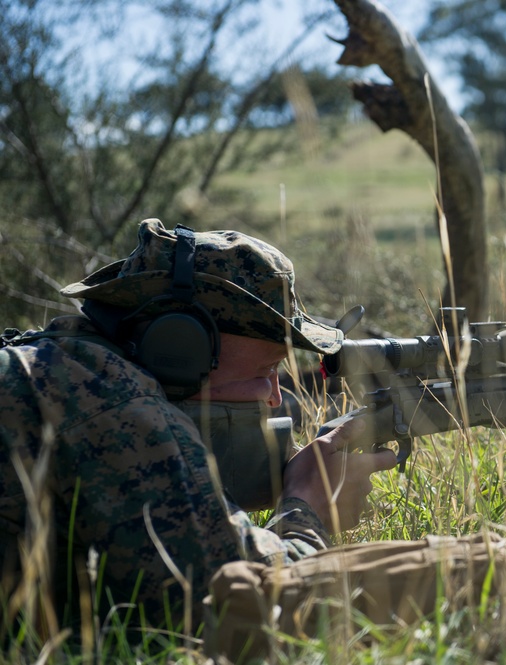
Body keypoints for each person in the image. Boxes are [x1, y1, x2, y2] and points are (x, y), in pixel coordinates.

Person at [0, 219, 414, 643]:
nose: (275, 396)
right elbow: (249, 612)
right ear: (178, 348)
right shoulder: (116, 407)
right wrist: (306, 508)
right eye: (267, 370)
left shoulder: (69, 372)